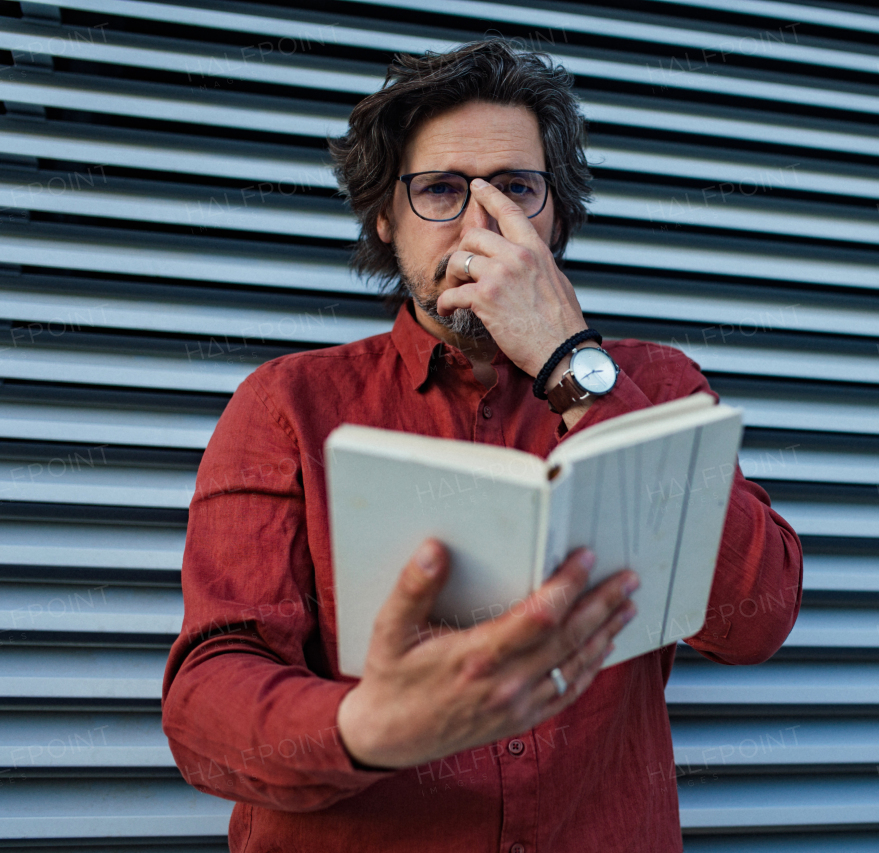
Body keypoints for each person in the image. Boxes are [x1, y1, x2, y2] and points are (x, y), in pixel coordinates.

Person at [162, 38, 803, 852]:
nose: (480, 223)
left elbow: (759, 617)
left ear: (557, 213)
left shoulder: (656, 386)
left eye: (516, 189)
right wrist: (363, 727)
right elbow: (204, 698)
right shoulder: (287, 404)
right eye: (439, 190)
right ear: (384, 217)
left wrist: (571, 363)